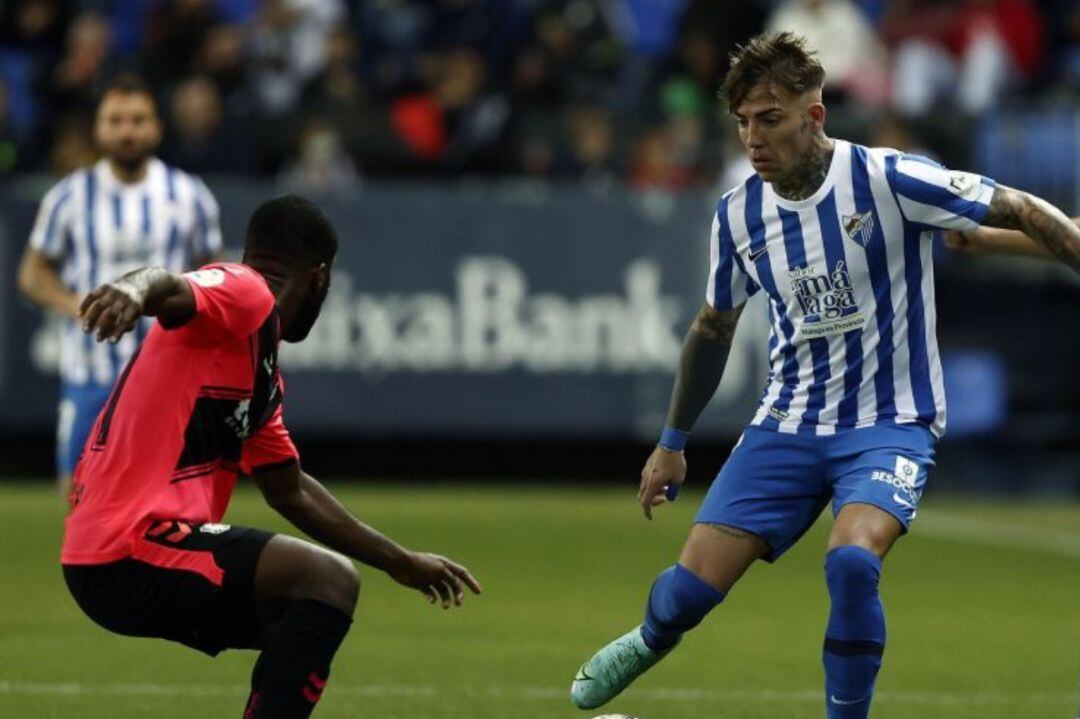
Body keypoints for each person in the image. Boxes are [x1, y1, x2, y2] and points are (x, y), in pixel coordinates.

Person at [570, 32, 1079, 719]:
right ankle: (650, 635)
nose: (753, 137)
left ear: (814, 117)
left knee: (851, 561)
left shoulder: (888, 177)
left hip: (889, 423)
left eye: (770, 118)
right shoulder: (739, 215)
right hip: (787, 423)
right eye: (743, 122)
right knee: (688, 596)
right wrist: (672, 440)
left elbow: (1015, 208)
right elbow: (713, 327)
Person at [62, 194, 482, 718]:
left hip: (118, 558)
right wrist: (132, 287)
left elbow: (291, 490)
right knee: (326, 580)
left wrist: (401, 562)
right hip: (130, 544)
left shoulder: (258, 368)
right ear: (320, 277)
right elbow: (172, 284)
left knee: (309, 612)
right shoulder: (246, 291)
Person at [18, 73, 222, 496]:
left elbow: (211, 276)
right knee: (78, 497)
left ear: (156, 127)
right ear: (98, 128)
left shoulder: (189, 195)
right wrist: (70, 302)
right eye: (116, 120)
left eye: (137, 119)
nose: (127, 130)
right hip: (91, 369)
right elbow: (32, 273)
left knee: (168, 502)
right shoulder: (70, 196)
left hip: (168, 371)